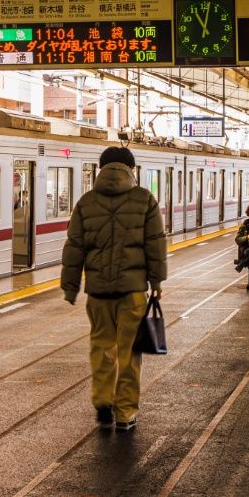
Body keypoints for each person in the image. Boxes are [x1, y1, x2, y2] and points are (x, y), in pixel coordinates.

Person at [61, 146, 168, 433]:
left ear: (101, 168)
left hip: (98, 292)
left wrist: (70, 287)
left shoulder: (86, 202)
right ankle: (125, 413)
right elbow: (155, 243)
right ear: (131, 169)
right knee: (129, 352)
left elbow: (74, 247)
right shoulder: (145, 199)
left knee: (101, 347)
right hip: (132, 291)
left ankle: (102, 401)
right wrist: (157, 282)